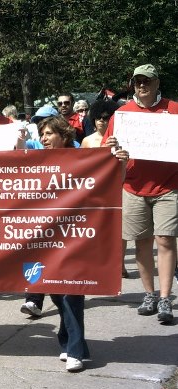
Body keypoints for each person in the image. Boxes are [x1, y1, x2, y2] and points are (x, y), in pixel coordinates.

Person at [18, 116, 129, 371]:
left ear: (64, 136)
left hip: (77, 237)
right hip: (46, 239)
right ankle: (67, 337)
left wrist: (120, 165)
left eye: (48, 134)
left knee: (71, 292)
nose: (43, 139)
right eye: (41, 134)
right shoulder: (37, 159)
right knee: (58, 293)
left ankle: (75, 349)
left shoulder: (84, 158)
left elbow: (110, 184)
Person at [102, 63, 178, 324]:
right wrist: (111, 148)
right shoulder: (122, 114)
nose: (142, 85)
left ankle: (166, 297)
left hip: (168, 186)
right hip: (133, 188)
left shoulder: (174, 110)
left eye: (147, 81)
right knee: (142, 241)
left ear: (158, 83)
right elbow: (106, 153)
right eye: (138, 81)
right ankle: (150, 294)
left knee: (165, 239)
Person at [81, 99, 130, 278]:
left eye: (106, 117)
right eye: (99, 117)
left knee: (119, 228)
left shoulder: (121, 139)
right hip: (95, 189)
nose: (102, 120)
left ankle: (120, 262)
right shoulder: (87, 141)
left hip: (117, 187)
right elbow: (83, 166)